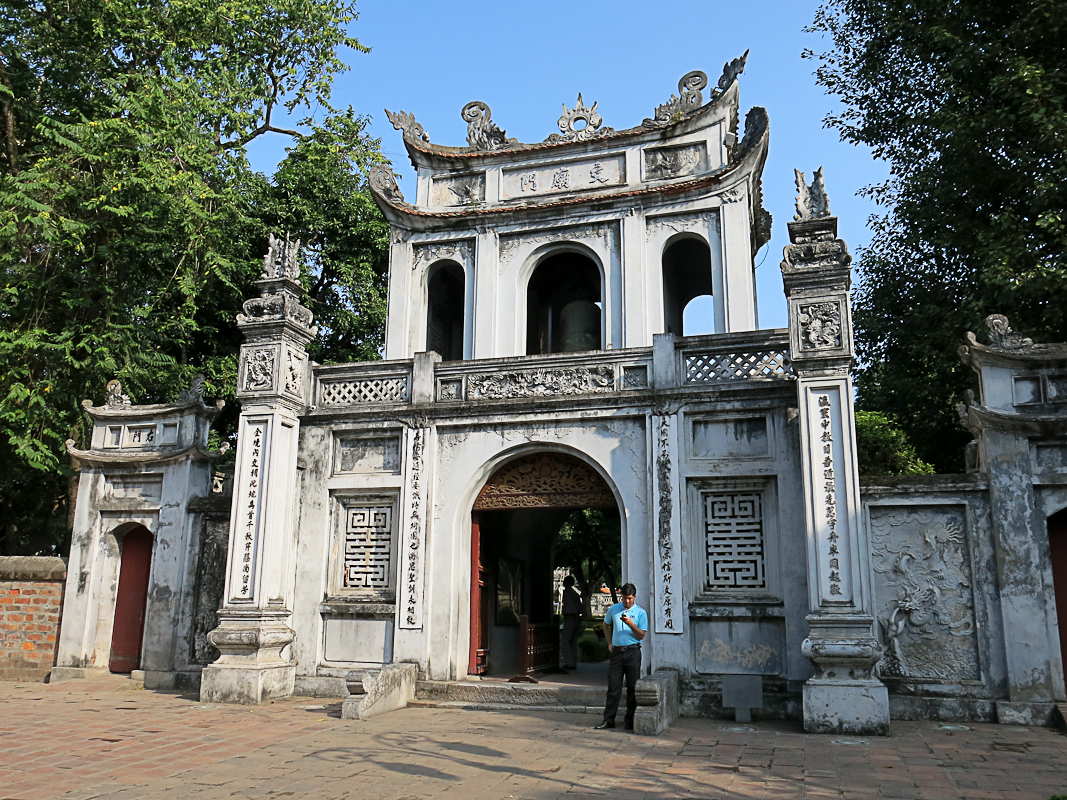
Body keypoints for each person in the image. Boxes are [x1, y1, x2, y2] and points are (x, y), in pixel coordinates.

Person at [594, 582, 648, 731]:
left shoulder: (640, 613)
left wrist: (631, 623)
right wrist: (609, 642)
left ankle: (630, 720)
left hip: (633, 651)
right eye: (624, 598)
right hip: (617, 652)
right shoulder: (614, 609)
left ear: (634, 597)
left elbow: (642, 635)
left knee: (632, 687)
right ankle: (608, 719)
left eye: (630, 598)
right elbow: (606, 625)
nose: (627, 601)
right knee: (614, 686)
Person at [560, 576, 583, 670]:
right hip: (576, 617)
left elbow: (569, 606)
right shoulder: (575, 593)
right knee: (572, 641)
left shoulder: (567, 592)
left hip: (570, 616)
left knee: (565, 641)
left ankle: (569, 663)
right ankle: (573, 662)